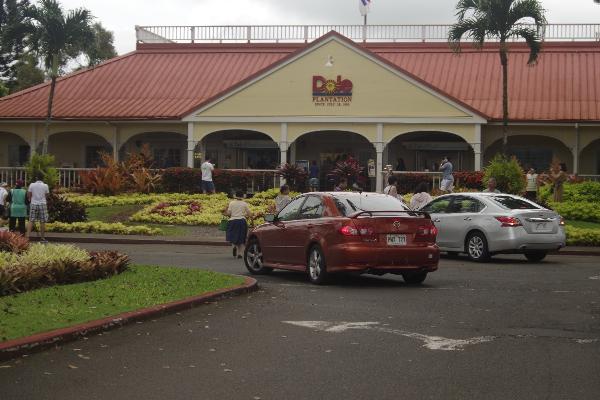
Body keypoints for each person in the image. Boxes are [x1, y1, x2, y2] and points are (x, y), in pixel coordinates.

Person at [224, 190, 252, 259]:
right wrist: (251, 218)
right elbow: (249, 213)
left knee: (233, 236)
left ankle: (234, 247)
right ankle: (240, 254)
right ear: (243, 196)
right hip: (242, 221)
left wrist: (225, 212)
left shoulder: (231, 203)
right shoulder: (244, 204)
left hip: (232, 221)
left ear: (235, 195)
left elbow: (229, 213)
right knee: (241, 238)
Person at [26, 174, 50, 242]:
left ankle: (27, 237)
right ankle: (42, 238)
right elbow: (47, 195)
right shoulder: (45, 185)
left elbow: (29, 194)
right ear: (43, 178)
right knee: (42, 221)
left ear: (36, 178)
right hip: (42, 203)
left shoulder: (32, 185)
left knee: (31, 220)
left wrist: (30, 199)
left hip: (33, 203)